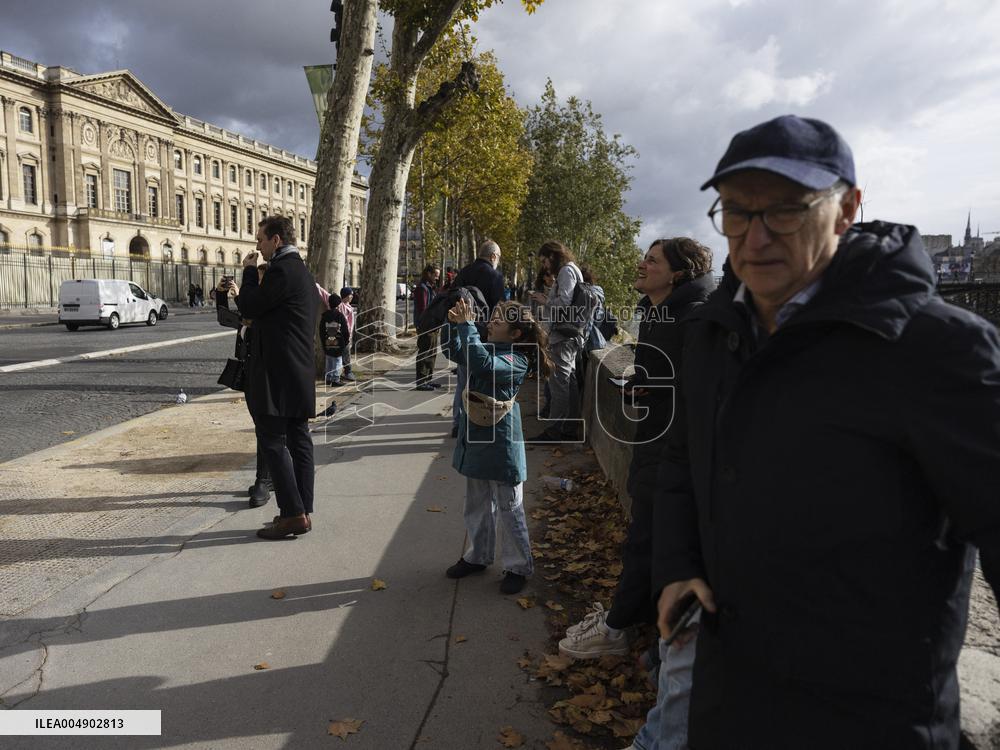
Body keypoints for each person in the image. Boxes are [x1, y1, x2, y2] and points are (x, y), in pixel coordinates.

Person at [651, 114, 1000, 749]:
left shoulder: (939, 350)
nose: (754, 238)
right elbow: (682, 460)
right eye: (734, 212)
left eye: (784, 211)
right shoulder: (712, 334)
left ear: (846, 211)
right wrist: (677, 566)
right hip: (729, 707)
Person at [443, 298, 550, 595]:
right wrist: (452, 326)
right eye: (491, 318)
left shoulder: (517, 359)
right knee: (476, 504)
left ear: (516, 334)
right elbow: (455, 351)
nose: (490, 323)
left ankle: (518, 566)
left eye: (498, 321)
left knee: (509, 507)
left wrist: (467, 327)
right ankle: (479, 556)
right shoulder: (490, 346)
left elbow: (482, 363)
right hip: (477, 440)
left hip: (502, 444)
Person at [236, 216, 318, 540]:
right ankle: (302, 510)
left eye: (260, 239)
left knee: (272, 440)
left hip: (276, 374)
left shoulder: (282, 270)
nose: (257, 245)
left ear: (276, 240)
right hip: (297, 371)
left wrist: (247, 272)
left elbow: (250, 306)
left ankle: (292, 514)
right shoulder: (302, 272)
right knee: (299, 440)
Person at [217, 269, 275, 508]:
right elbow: (224, 319)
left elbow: (257, 319)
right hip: (249, 370)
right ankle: (269, 476)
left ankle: (264, 479)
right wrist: (222, 295)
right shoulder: (250, 305)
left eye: (258, 281)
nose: (254, 285)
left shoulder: (268, 304)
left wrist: (242, 298)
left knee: (264, 426)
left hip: (268, 372)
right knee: (260, 425)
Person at [529, 241, 584, 441]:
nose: (544, 266)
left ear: (552, 256)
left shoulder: (565, 272)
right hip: (568, 335)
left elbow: (563, 303)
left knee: (559, 384)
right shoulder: (572, 270)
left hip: (562, 336)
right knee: (569, 383)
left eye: (544, 261)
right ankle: (568, 429)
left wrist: (545, 300)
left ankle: (555, 430)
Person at [451, 241, 505, 437]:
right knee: (481, 381)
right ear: (493, 257)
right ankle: (477, 421)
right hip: (486, 333)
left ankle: (458, 423)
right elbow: (500, 307)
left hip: (463, 328)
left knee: (463, 380)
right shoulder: (495, 275)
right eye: (498, 258)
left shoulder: (463, 272)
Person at [414, 264, 441, 392]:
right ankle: (421, 381)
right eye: (435, 275)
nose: (437, 278)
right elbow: (423, 309)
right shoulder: (422, 289)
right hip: (426, 325)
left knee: (432, 353)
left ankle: (428, 379)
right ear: (428, 274)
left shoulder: (430, 288)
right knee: (425, 353)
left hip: (433, 325)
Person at [320, 293, 350, 387]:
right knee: (337, 360)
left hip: (328, 340)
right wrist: (346, 341)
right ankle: (335, 379)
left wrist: (323, 341)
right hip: (339, 342)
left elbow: (321, 330)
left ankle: (328, 378)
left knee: (329, 359)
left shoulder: (324, 316)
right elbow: (345, 330)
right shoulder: (340, 316)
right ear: (338, 304)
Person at [337, 287, 357, 382]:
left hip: (349, 335)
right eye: (350, 294)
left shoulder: (349, 306)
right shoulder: (341, 306)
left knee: (346, 353)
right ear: (345, 296)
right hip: (343, 335)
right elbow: (326, 296)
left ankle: (346, 372)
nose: (352, 296)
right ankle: (347, 372)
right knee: (345, 354)